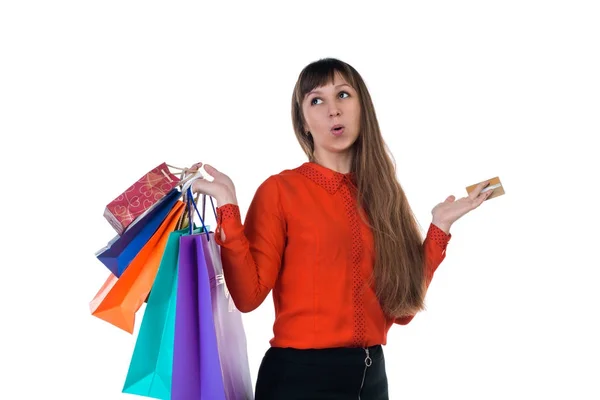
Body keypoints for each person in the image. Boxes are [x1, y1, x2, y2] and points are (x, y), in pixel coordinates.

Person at [189, 58, 493, 400]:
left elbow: (402, 310)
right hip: (299, 382)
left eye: (344, 95)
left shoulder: (383, 196)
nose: (333, 110)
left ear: (362, 107)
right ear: (303, 122)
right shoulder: (280, 191)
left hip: (372, 377)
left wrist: (440, 227)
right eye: (316, 100)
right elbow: (248, 295)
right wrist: (228, 207)